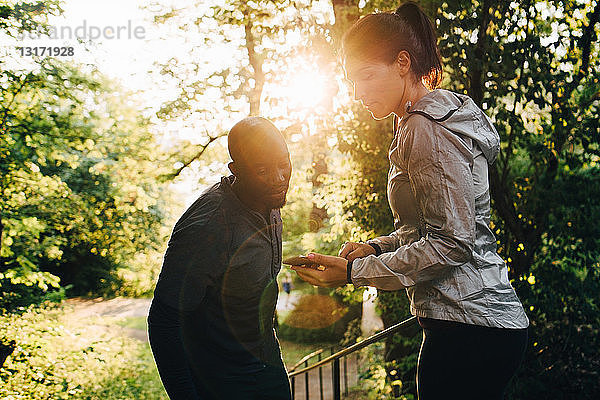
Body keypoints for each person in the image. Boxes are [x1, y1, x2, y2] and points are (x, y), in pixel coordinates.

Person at [291, 2, 529, 400]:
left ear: (403, 63)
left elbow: (451, 243)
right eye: (352, 81)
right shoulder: (418, 121)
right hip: (473, 325)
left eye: (367, 76)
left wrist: (354, 273)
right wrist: (373, 248)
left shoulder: (424, 127)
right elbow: (429, 229)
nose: (358, 93)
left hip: (470, 327)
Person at [148, 117, 293, 400]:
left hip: (268, 370)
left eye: (284, 164)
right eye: (262, 169)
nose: (279, 177)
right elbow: (164, 321)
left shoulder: (269, 199)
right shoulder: (207, 226)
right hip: (221, 383)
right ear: (236, 170)